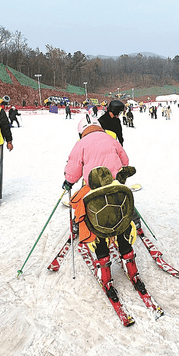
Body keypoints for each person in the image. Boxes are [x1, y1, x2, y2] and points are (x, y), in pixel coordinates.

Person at [63, 115, 141, 299]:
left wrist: (68, 181)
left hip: (95, 196)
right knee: (120, 226)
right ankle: (131, 267)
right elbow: (125, 161)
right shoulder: (110, 138)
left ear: (81, 131)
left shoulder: (80, 144)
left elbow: (72, 171)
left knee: (98, 230)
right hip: (117, 192)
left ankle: (105, 273)